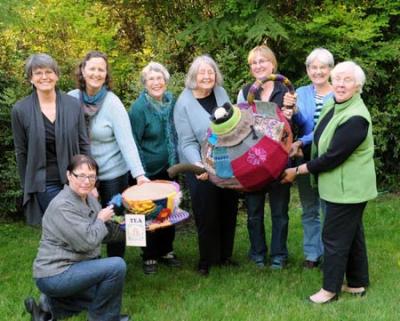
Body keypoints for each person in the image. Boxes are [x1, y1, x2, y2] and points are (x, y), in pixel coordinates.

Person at [281, 61, 377, 303]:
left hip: (348, 189)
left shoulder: (356, 118)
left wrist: (298, 170)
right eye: (338, 79)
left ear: (358, 86)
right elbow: (320, 135)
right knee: (353, 233)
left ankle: (329, 290)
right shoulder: (334, 104)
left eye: (348, 80)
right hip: (340, 186)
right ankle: (356, 283)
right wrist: (301, 145)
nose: (341, 84)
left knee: (333, 238)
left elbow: (333, 156)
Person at [24, 154, 130, 321]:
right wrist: (101, 219)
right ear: (68, 175)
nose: (86, 181)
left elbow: (103, 232)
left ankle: (47, 308)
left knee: (99, 294)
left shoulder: (89, 199)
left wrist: (137, 230)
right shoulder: (62, 206)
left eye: (91, 177)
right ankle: (104, 318)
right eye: (80, 175)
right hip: (55, 273)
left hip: (74, 266)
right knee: (116, 266)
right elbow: (87, 242)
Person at [69, 51, 149, 258]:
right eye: (92, 68)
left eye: (101, 69)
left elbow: (127, 142)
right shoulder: (70, 100)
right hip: (83, 176)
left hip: (112, 174)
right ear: (83, 71)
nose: (96, 73)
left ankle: (115, 265)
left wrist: (139, 174)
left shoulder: (113, 103)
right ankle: (91, 264)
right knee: (85, 221)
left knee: (116, 222)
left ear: (106, 75)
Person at [174, 55, 239, 276]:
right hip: (199, 164)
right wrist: (198, 166)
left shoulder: (220, 92)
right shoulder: (183, 103)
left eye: (210, 72)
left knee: (228, 208)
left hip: (225, 161)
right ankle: (206, 260)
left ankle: (225, 256)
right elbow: (186, 141)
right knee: (207, 212)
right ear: (193, 76)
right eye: (202, 72)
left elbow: (232, 122)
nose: (207, 76)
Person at [11, 53, 90, 226]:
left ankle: (81, 253)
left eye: (49, 71)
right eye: (38, 73)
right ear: (31, 78)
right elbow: (21, 151)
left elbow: (84, 144)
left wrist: (90, 179)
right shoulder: (20, 110)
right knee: (67, 224)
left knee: (79, 225)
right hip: (44, 182)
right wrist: (27, 186)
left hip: (75, 179)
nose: (44, 77)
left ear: (57, 75)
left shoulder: (73, 105)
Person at [237, 45, 295, 269]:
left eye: (263, 61)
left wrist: (290, 114)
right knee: (253, 211)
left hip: (280, 158)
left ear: (273, 64)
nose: (258, 65)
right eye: (254, 63)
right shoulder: (245, 91)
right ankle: (257, 254)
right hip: (253, 160)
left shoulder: (286, 90)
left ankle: (279, 255)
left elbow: (293, 126)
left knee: (280, 211)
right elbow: (241, 124)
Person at [129, 62, 181, 274]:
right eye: (151, 79)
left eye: (159, 78)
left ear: (166, 82)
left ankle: (166, 250)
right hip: (146, 173)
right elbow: (133, 141)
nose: (156, 82)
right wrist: (139, 172)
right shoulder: (139, 108)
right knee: (148, 214)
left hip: (170, 168)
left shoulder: (172, 103)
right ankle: (149, 255)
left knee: (169, 211)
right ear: (145, 84)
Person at [291, 48, 334, 268]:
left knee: (328, 209)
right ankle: (312, 254)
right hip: (304, 158)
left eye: (323, 67)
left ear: (330, 69)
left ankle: (331, 254)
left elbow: (324, 129)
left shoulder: (338, 93)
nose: (318, 71)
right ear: (308, 70)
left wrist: (301, 141)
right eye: (313, 67)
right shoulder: (301, 91)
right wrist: (292, 109)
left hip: (329, 158)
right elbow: (298, 123)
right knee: (309, 208)